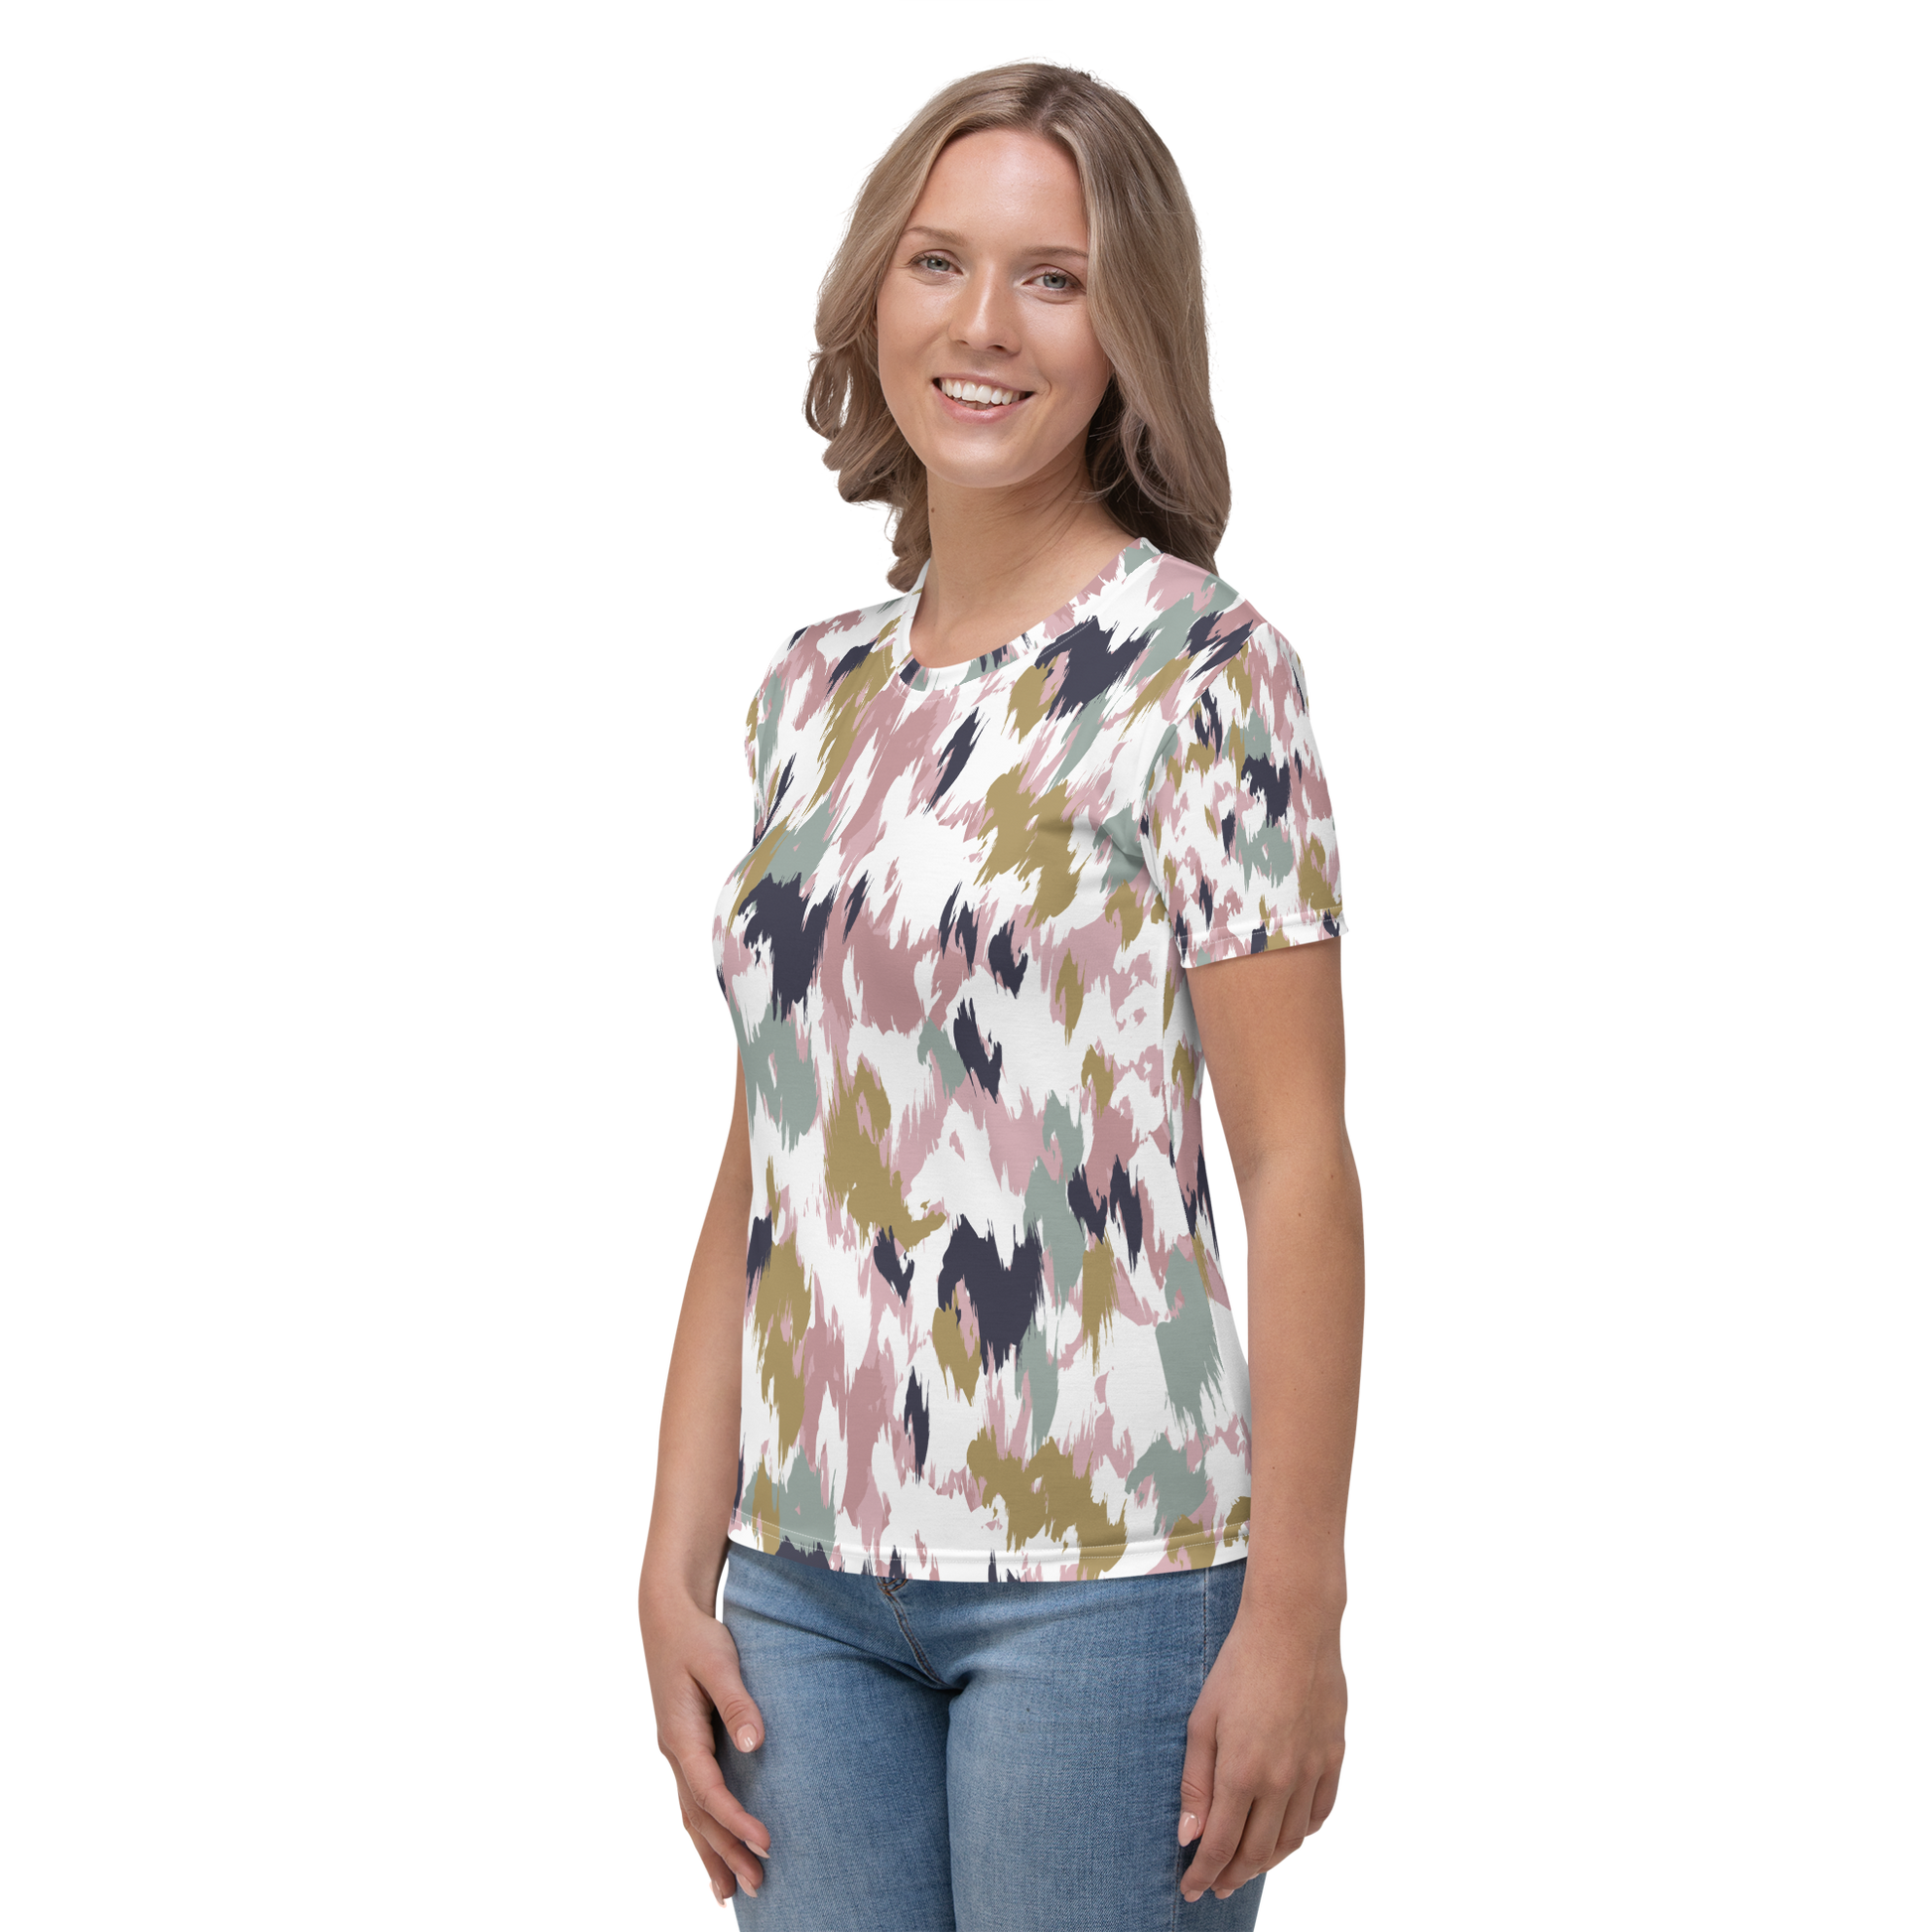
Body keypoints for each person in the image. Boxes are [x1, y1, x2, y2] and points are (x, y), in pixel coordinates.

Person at [636, 50, 1365, 1930]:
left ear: (1129, 333)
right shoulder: (808, 688)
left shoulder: (1207, 671)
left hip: (1112, 1581)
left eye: (1053, 279)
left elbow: (1294, 1159)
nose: (982, 325)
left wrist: (1297, 1606)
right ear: (872, 290)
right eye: (939, 261)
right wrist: (668, 1555)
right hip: (794, 1588)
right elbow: (762, 1156)